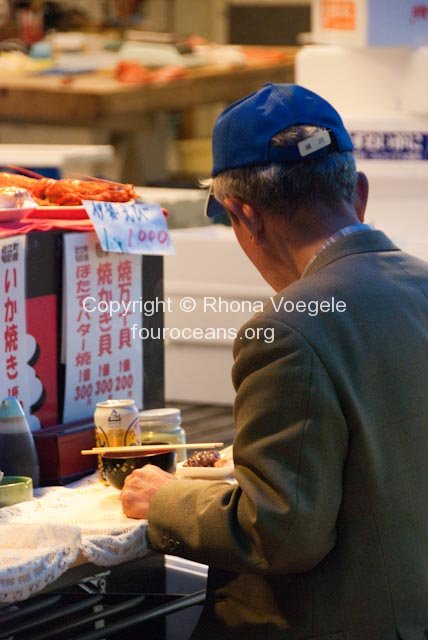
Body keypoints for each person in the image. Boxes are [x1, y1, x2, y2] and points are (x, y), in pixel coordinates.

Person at [120, 83, 428, 639]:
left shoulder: (287, 330)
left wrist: (167, 500)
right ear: (357, 192)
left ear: (246, 215)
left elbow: (282, 534)